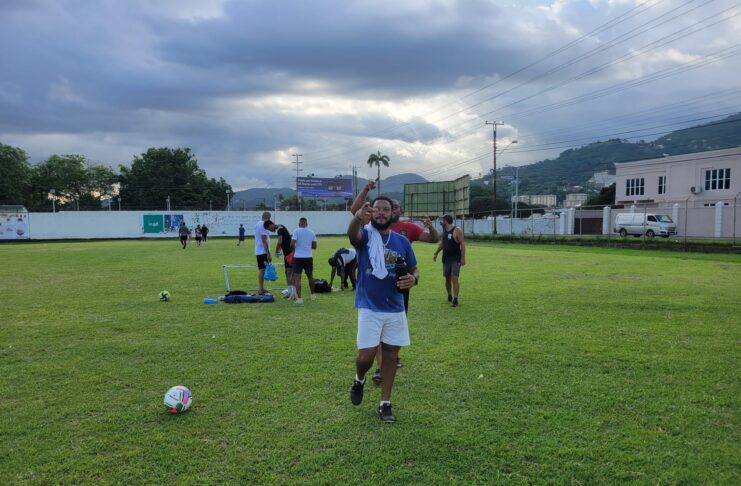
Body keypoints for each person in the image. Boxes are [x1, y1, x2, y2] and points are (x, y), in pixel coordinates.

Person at [351, 180, 439, 381]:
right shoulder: (373, 225)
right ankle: (380, 367)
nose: (386, 211)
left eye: (394, 207)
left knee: (391, 331)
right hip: (373, 287)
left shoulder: (407, 229)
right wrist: (366, 189)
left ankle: (390, 359)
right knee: (375, 332)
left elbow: (432, 239)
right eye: (380, 208)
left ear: (396, 211)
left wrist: (431, 227)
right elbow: (355, 211)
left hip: (399, 286)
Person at [348, 197, 419, 424]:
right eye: (377, 209)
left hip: (395, 307)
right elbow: (352, 235)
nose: (381, 212)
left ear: (392, 213)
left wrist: (413, 279)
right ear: (371, 213)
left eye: (385, 209)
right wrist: (357, 218)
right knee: (366, 356)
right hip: (369, 305)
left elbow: (414, 269)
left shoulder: (402, 242)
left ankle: (385, 403)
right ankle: (359, 378)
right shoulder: (366, 236)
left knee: (391, 356)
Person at [433, 215, 466, 307]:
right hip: (446, 259)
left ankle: (455, 299)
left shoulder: (457, 230)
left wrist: (463, 258)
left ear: (446, 221)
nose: (440, 222)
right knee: (447, 279)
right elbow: (442, 243)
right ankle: (449, 295)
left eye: (442, 220)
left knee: (454, 278)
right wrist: (436, 253)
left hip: (455, 258)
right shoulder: (445, 231)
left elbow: (463, 244)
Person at [290, 217, 317, 304]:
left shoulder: (296, 231)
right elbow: (314, 246)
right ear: (307, 224)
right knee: (310, 276)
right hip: (308, 257)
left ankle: (300, 299)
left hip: (298, 257)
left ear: (299, 224)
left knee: (297, 278)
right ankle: (313, 295)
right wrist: (307, 245)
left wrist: (294, 250)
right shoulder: (312, 232)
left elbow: (292, 244)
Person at [254, 212, 275, 295]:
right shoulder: (263, 224)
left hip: (260, 250)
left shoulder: (259, 223)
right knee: (262, 270)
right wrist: (268, 253)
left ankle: (262, 288)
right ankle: (260, 289)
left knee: (262, 269)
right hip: (262, 251)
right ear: (268, 218)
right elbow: (264, 240)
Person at [274, 223, 294, 297]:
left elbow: (280, 241)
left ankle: (292, 292)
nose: (270, 231)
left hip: (289, 255)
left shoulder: (280, 229)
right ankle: (290, 291)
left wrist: (276, 251)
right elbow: (282, 242)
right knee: (288, 272)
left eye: (269, 229)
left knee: (290, 273)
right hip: (288, 254)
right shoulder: (283, 229)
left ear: (271, 225)